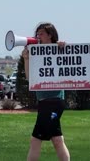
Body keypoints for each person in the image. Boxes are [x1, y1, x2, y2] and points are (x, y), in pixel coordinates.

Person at [22, 22, 70, 161]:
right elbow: (29, 77)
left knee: (36, 140)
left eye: (41, 33)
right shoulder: (35, 52)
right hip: (44, 102)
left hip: (54, 101)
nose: (38, 36)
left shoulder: (58, 48)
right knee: (57, 140)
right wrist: (26, 59)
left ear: (50, 35)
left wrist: (63, 47)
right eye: (37, 33)